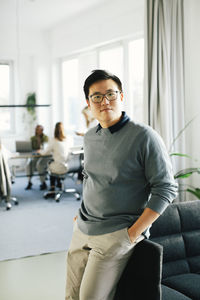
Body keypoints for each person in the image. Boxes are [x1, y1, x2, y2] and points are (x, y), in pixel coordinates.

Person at [65, 70, 178, 300]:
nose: (104, 101)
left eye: (110, 94)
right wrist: (80, 215)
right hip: (83, 228)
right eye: (96, 96)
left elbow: (166, 188)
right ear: (88, 103)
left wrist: (134, 233)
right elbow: (90, 177)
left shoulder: (144, 136)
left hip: (116, 234)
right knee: (71, 295)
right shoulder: (90, 136)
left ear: (122, 96)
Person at [40, 122, 73, 191]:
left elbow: (44, 153)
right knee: (55, 163)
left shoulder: (53, 140)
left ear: (55, 130)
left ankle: (52, 188)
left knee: (50, 165)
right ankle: (59, 183)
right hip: (68, 166)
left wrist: (39, 151)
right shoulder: (67, 140)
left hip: (59, 167)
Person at [25, 124, 49, 190]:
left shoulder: (45, 137)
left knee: (39, 165)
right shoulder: (32, 138)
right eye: (37, 130)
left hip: (44, 156)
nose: (38, 131)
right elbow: (30, 148)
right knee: (29, 165)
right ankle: (29, 182)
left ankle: (43, 183)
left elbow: (46, 148)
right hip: (36, 155)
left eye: (40, 130)